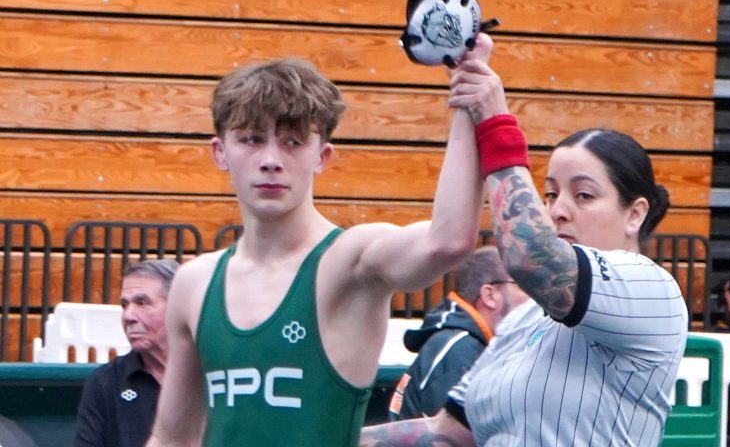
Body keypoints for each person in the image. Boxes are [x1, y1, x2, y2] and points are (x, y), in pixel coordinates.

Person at [359, 33, 688, 446]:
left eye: (583, 195)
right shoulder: (522, 319)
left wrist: (494, 118)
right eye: (550, 194)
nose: (557, 210)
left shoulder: (652, 292)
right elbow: (447, 433)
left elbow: (532, 256)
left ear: (635, 214)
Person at [146, 55, 485, 445]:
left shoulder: (348, 262)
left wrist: (467, 102)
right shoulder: (194, 283)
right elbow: (170, 439)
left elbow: (448, 240)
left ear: (321, 156)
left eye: (292, 142)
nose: (271, 161)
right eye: (252, 139)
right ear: (220, 152)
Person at [388, 246, 529, 421]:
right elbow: (452, 434)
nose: (534, 296)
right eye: (523, 286)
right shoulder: (458, 353)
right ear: (489, 295)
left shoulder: (463, 344)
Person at [75, 258, 179, 447]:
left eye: (142, 303)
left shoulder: (212, 374)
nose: (128, 316)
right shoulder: (105, 383)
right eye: (125, 305)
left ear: (177, 308)